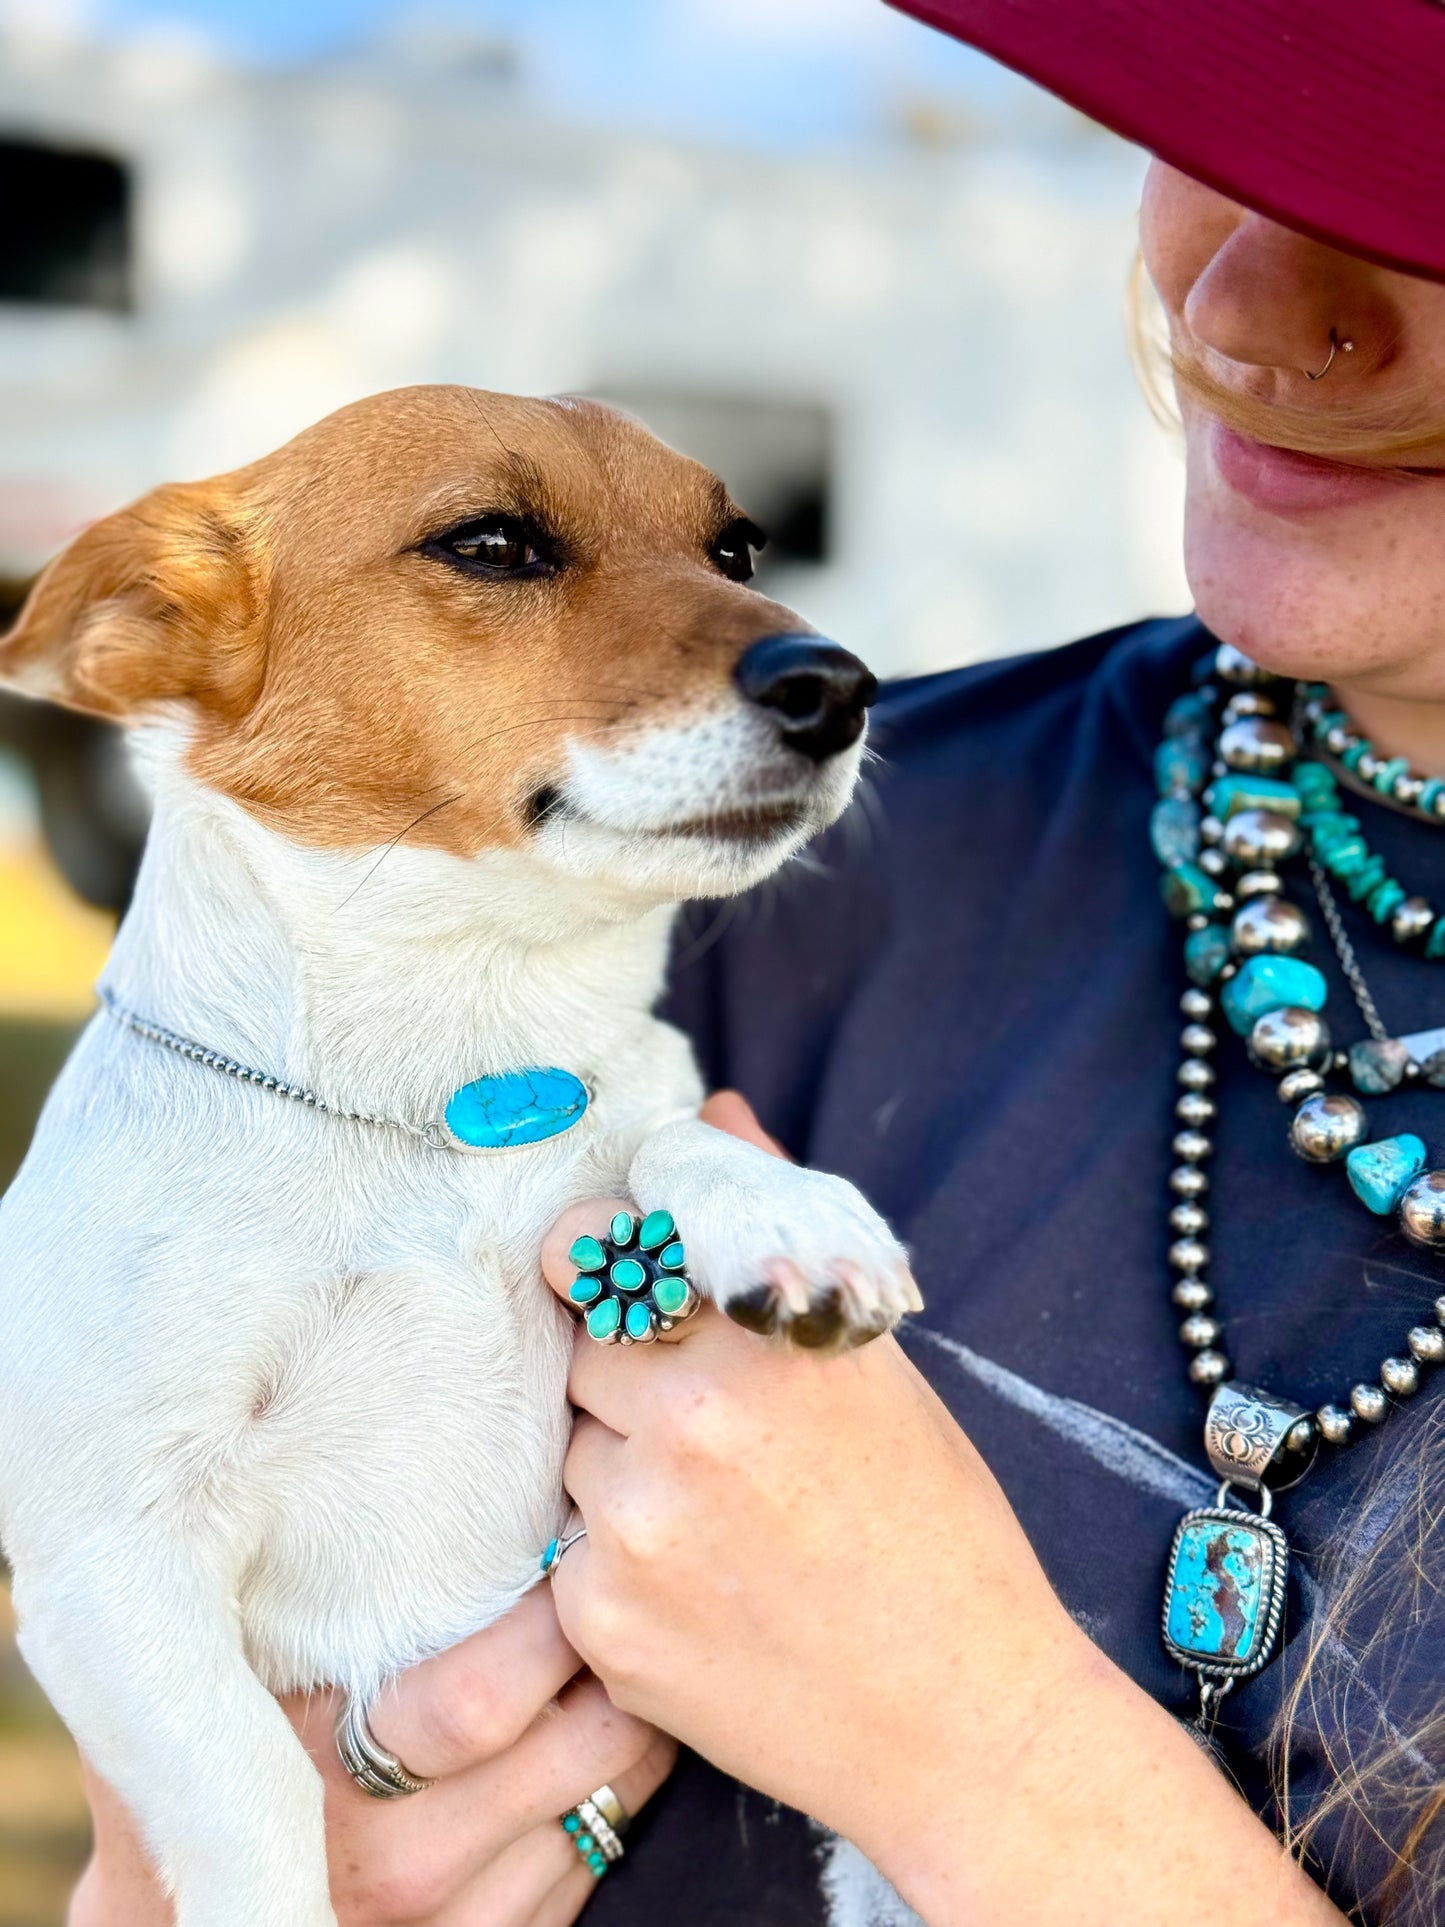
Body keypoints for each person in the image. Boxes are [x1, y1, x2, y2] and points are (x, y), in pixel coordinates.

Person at [70, 1, 1445, 1921]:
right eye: (1234, 132)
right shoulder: (727, 869)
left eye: (1411, 201)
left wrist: (976, 1738)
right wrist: (226, 1857)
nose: (1244, 298)